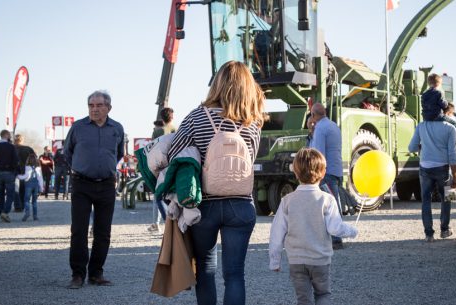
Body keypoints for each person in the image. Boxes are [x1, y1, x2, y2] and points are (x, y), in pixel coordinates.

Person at [167, 61, 265, 305]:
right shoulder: (253, 122)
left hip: (205, 205)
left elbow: (174, 155)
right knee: (234, 275)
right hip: (241, 205)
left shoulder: (196, 117)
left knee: (205, 269)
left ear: (217, 84)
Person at [269, 148, 358, 305]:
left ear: (295, 173)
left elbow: (277, 233)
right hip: (320, 259)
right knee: (323, 294)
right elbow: (335, 228)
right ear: (323, 172)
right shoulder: (327, 200)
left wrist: (275, 261)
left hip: (296, 260)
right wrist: (352, 231)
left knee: (304, 300)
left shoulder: (287, 201)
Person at [65, 90, 125, 289]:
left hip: (107, 184)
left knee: (103, 232)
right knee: (79, 231)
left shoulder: (116, 128)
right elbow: (68, 153)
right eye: (91, 105)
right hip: (82, 184)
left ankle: (96, 273)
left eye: (99, 105)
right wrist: (83, 167)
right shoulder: (78, 127)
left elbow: (118, 154)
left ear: (109, 107)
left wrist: (104, 168)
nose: (94, 109)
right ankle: (78, 274)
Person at [408, 119, 456, 242]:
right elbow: (453, 153)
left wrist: (423, 147)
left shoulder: (421, 126)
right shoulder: (451, 128)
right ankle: (445, 229)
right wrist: (455, 176)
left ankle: (429, 234)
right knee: (448, 198)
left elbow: (411, 148)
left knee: (425, 200)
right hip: (443, 167)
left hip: (425, 167)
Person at [308, 103, 345, 250]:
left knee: (328, 206)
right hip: (336, 170)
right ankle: (335, 237)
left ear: (313, 115)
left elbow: (318, 154)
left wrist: (314, 174)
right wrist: (311, 131)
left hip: (326, 172)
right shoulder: (333, 126)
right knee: (334, 203)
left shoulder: (320, 129)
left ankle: (335, 239)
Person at [149, 108, 177, 232]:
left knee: (158, 195)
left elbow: (151, 149)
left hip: (161, 167)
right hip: (175, 165)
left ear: (162, 118)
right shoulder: (178, 129)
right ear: (172, 117)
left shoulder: (157, 131)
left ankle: (164, 223)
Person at [0, 130, 19, 223]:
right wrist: (15, 172)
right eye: (9, 135)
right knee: (10, 194)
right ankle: (5, 212)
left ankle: (1, 212)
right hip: (9, 172)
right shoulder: (11, 147)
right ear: (6, 135)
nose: (10, 136)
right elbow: (15, 160)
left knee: (0, 195)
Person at [17, 153, 44, 221]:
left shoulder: (27, 167)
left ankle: (27, 212)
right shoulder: (38, 168)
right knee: (34, 202)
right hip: (36, 185)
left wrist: (18, 176)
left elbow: (26, 176)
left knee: (26, 200)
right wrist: (41, 188)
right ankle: (35, 216)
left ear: (28, 160)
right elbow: (40, 178)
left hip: (28, 185)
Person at [14, 134, 36, 212]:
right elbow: (34, 160)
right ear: (22, 140)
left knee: (15, 189)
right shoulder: (28, 149)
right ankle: (23, 205)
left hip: (14, 171)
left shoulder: (12, 148)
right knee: (23, 189)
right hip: (26, 171)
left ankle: (17, 206)